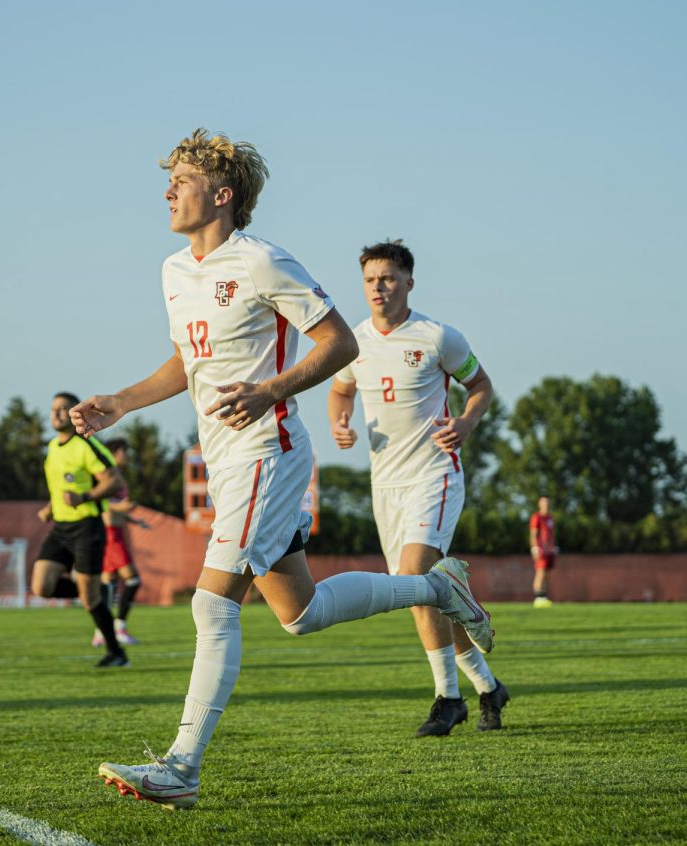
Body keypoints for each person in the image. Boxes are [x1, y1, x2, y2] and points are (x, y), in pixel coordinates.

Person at [71, 128, 493, 810]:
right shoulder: (173, 271)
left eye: (182, 179)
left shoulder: (263, 261)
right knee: (301, 613)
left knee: (212, 604)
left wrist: (273, 390)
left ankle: (182, 767)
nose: (168, 190)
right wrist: (120, 402)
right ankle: (435, 591)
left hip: (270, 452)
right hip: (230, 458)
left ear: (223, 195)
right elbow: (189, 360)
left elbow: (339, 341)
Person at [328, 238, 510, 735]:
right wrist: (340, 422)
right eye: (369, 280)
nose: (377, 288)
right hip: (385, 485)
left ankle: (447, 699)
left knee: (416, 575)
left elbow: (481, 386)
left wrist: (468, 424)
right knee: (424, 592)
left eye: (387, 278)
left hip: (435, 473)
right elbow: (340, 390)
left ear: (408, 281)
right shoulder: (353, 342)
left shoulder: (437, 337)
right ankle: (489, 688)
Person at [32, 391, 130, 667]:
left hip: (87, 526)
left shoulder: (85, 445)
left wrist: (84, 497)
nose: (57, 413)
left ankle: (116, 653)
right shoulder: (52, 448)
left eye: (64, 409)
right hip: (61, 528)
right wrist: (51, 508)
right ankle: (95, 591)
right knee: (41, 586)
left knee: (89, 599)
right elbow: (60, 488)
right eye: (54, 409)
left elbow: (113, 482)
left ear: (76, 414)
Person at [90, 438, 151, 648]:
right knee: (132, 580)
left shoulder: (118, 475)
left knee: (109, 584)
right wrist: (122, 508)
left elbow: (115, 505)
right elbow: (103, 502)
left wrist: (135, 520)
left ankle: (101, 632)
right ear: (114, 453)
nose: (126, 456)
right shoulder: (106, 474)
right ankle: (119, 627)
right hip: (110, 535)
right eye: (124, 452)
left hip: (113, 532)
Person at [530, 496, 557, 607]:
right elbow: (533, 534)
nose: (546, 505)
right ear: (540, 505)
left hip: (549, 550)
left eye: (547, 503)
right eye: (544, 503)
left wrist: (553, 546)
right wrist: (535, 547)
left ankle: (543, 597)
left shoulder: (550, 518)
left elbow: (551, 534)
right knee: (540, 572)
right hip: (541, 549)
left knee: (546, 573)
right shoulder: (536, 517)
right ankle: (537, 598)